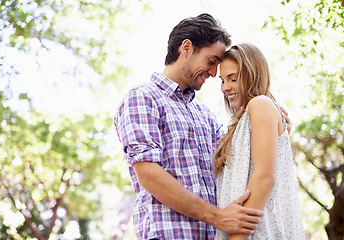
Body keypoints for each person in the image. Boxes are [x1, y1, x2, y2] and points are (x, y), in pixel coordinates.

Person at [114, 14, 265, 239]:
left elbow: (236, 162)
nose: (214, 73)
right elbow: (149, 175)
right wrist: (218, 217)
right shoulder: (143, 98)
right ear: (186, 48)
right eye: (211, 61)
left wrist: (269, 123)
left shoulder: (205, 115)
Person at [213, 43, 305, 240]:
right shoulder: (243, 120)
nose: (225, 87)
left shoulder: (260, 104)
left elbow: (264, 178)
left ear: (253, 75)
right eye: (222, 80)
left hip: (254, 233)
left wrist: (236, 237)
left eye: (233, 78)